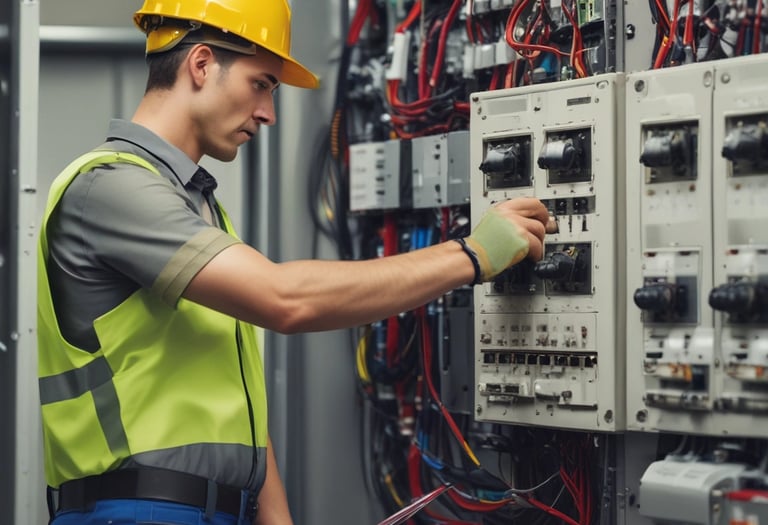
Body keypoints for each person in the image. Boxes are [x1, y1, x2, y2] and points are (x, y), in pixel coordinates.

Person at [36, 1, 552, 524]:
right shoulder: (110, 186)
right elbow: (287, 298)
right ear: (201, 64)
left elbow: (235, 404)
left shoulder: (196, 208)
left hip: (217, 508)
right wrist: (471, 254)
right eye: (262, 83)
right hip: (134, 511)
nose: (269, 113)